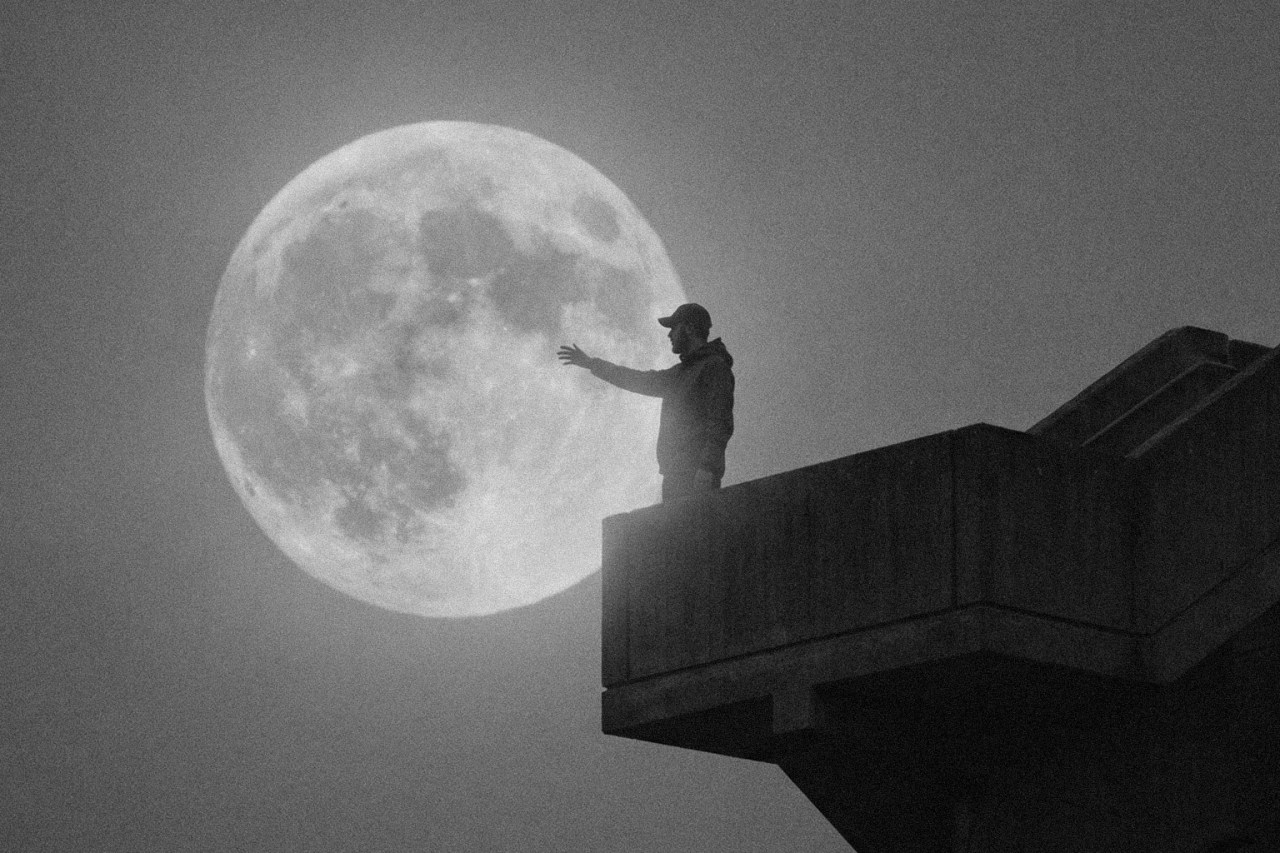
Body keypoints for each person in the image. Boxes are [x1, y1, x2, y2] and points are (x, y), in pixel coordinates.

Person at [558, 303, 735, 502]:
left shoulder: (714, 367)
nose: (670, 335)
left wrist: (707, 468)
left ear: (689, 328)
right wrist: (592, 364)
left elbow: (720, 422)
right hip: (674, 474)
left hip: (695, 475)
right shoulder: (678, 374)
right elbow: (638, 380)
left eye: (674, 328)